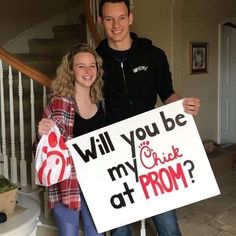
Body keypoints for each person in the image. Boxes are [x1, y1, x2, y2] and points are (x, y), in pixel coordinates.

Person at [96, 0, 200, 235]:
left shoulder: (153, 55)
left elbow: (167, 94)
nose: (116, 25)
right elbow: (88, 102)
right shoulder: (95, 60)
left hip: (151, 145)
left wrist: (185, 106)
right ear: (100, 21)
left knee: (166, 222)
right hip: (114, 149)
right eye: (109, 19)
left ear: (130, 18)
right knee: (120, 227)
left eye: (121, 17)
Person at [33, 43, 105, 236]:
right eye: (81, 66)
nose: (88, 71)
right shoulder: (59, 103)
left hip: (95, 181)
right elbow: (40, 151)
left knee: (96, 232)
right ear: (71, 70)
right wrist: (41, 136)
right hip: (66, 182)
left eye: (92, 65)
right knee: (69, 233)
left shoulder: (102, 103)